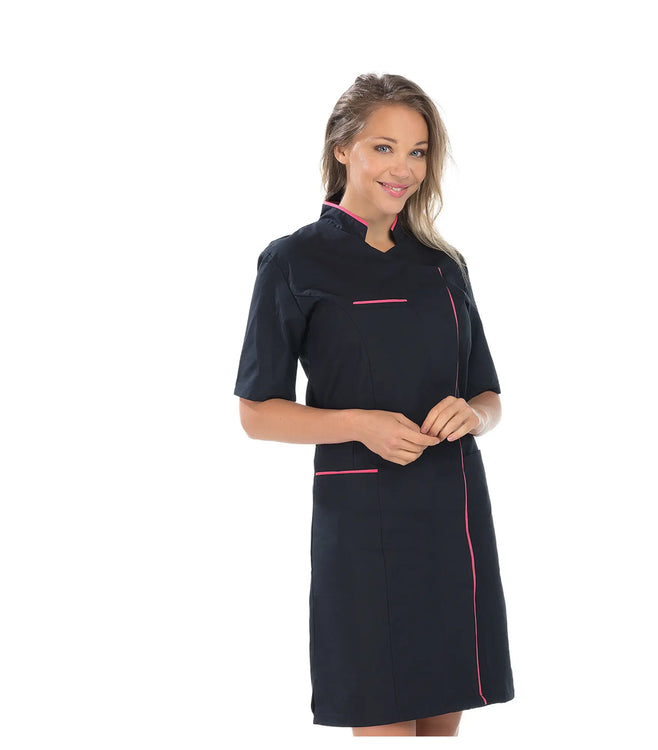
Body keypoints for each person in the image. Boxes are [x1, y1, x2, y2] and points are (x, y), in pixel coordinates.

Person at [234, 73, 515, 737]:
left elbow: (489, 394)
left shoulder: (443, 265)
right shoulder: (294, 262)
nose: (404, 168)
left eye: (418, 152)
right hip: (363, 526)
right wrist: (359, 424)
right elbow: (257, 413)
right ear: (342, 149)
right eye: (384, 148)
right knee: (382, 719)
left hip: (453, 516)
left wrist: (474, 415)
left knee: (441, 726)